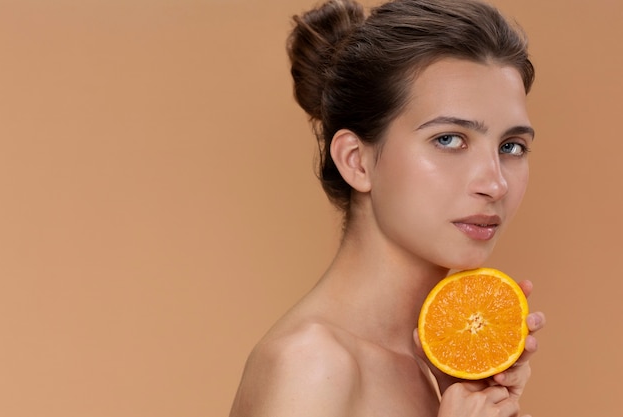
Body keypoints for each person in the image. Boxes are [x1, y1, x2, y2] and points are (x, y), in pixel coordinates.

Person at [230, 0, 546, 416]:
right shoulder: (312, 365)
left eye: (511, 147)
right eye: (449, 139)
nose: (494, 183)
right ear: (356, 161)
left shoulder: (431, 372)